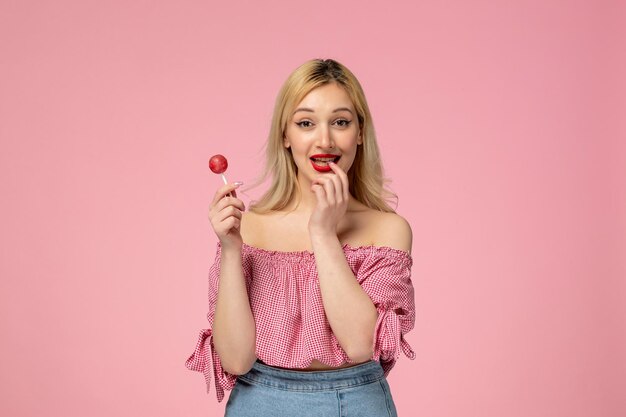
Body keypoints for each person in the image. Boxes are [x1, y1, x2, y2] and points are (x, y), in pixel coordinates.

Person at [186, 58, 416, 417]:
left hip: (354, 403)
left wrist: (323, 233)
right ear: (285, 136)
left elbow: (359, 345)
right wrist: (232, 249)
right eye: (306, 123)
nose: (324, 139)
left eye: (340, 122)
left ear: (359, 132)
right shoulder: (249, 226)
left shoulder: (387, 229)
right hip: (258, 402)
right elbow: (234, 359)